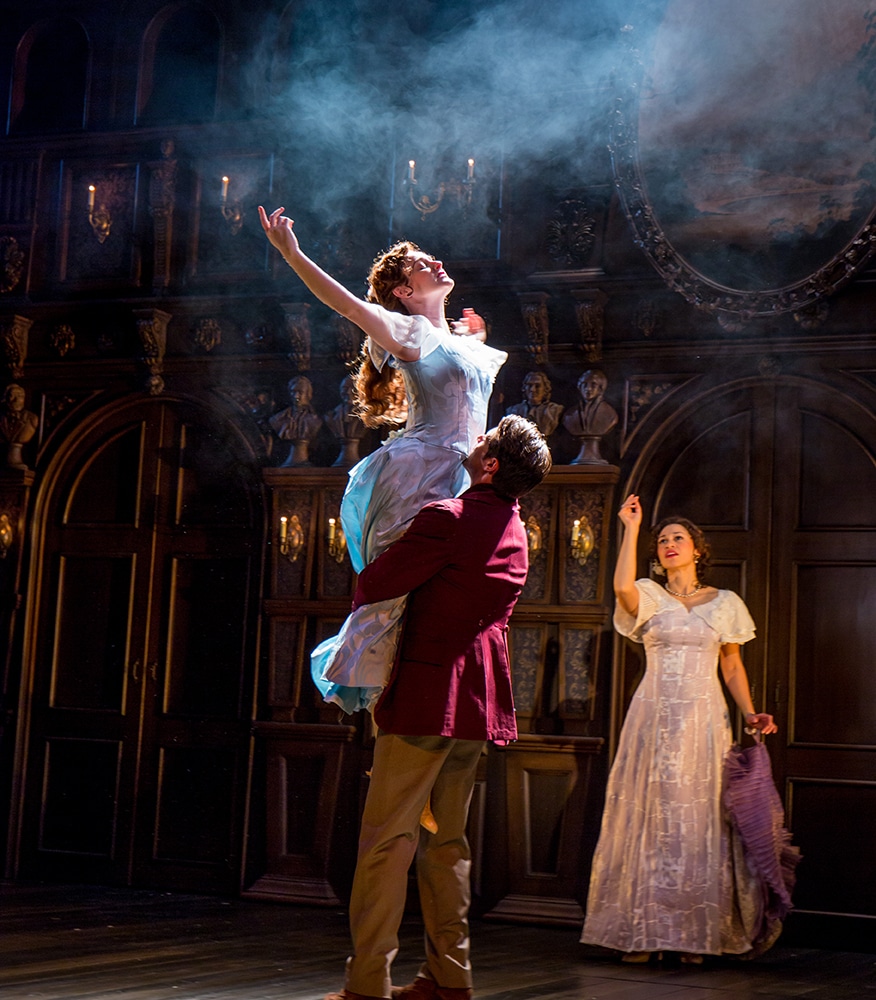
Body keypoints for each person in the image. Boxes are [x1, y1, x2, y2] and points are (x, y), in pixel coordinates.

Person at [327, 414, 552, 1000]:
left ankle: (366, 984)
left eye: (483, 441)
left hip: (428, 696)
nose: (473, 442)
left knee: (385, 841)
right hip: (479, 702)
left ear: (492, 464)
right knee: (447, 843)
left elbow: (374, 583)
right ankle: (449, 979)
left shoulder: (448, 520)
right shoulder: (516, 529)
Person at [259, 205, 507, 715]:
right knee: (404, 598)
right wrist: (293, 254)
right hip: (426, 475)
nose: (435, 263)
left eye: (432, 258)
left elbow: (468, 376)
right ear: (402, 291)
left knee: (451, 601)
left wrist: (473, 336)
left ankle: (436, 708)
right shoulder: (409, 332)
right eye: (421, 264)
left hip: (472, 476)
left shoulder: (459, 340)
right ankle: (384, 712)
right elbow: (346, 304)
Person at [581, 494, 777, 964]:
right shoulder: (648, 593)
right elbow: (622, 587)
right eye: (663, 539)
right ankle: (641, 931)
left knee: (698, 817)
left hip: (703, 719)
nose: (669, 544)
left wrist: (750, 713)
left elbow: (731, 665)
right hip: (653, 715)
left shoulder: (725, 603)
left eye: (678, 538)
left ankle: (694, 935)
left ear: (697, 550)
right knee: (649, 814)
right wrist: (631, 528)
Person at [562, 369, 618, 465]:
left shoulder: (610, 415)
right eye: (584, 384)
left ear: (600, 389)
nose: (588, 388)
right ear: (579, 387)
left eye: (593, 385)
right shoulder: (569, 415)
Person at [269, 375, 323, 466]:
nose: (296, 396)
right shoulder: (278, 419)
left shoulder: (315, 421)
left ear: (308, 394)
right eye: (293, 392)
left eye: (300, 392)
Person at [505, 371, 564, 437]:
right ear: (524, 388)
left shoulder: (555, 410)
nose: (532, 389)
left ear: (545, 389)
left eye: (537, 386)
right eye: (529, 385)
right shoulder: (513, 410)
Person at [0, 383, 38, 470]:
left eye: (20, 396)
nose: (16, 400)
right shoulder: (2, 419)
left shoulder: (32, 419)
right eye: (12, 396)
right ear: (5, 399)